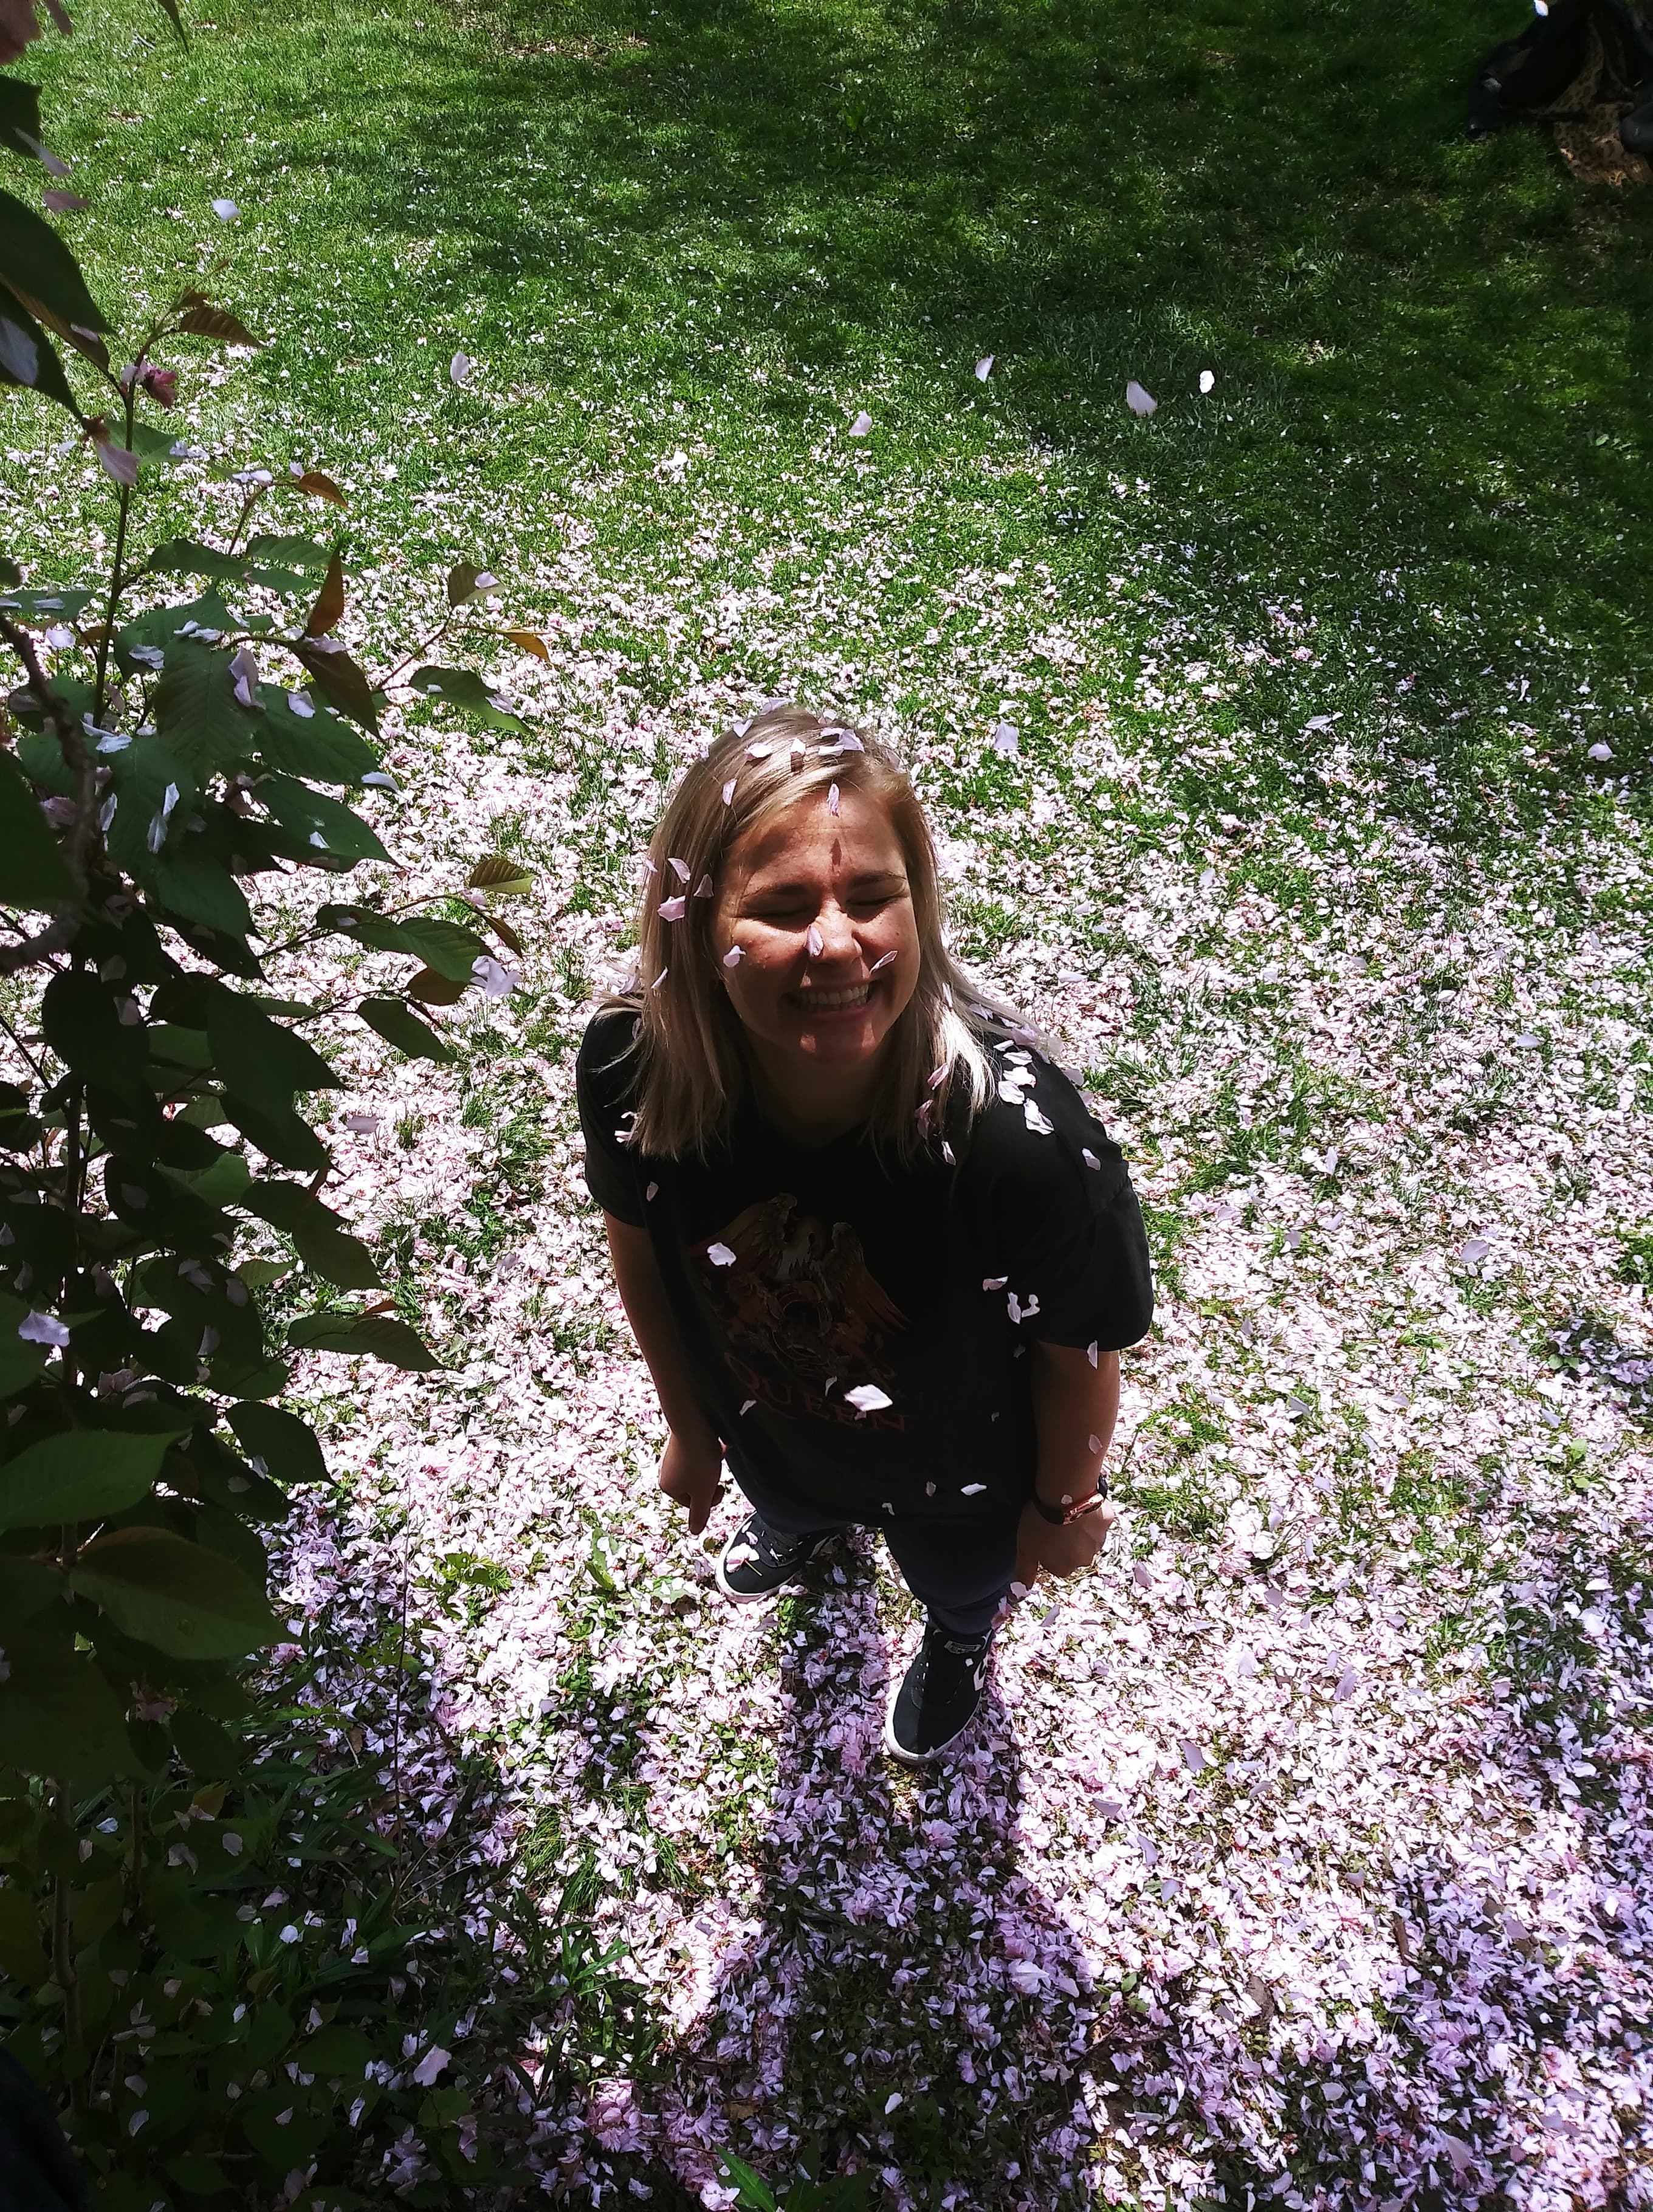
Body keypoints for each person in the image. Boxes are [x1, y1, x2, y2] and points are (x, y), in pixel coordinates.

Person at [576, 705, 1153, 1763]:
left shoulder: (1024, 1146)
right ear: (698, 931)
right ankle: (802, 1526)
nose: (837, 942)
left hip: (963, 1474)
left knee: (957, 1578)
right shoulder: (635, 1064)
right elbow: (639, 1241)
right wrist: (690, 1424)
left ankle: (957, 1641)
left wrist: (1063, 1503)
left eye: (873, 896)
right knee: (791, 1493)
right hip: (774, 1419)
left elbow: (1081, 1353)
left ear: (921, 907)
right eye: (784, 905)